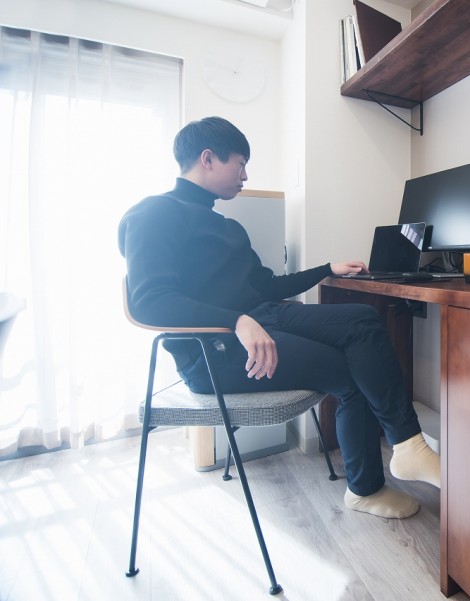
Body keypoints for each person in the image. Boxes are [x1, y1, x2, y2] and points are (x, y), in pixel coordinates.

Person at [118, 116, 439, 519]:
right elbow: (151, 301)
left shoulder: (228, 227)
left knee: (362, 320)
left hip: (261, 322)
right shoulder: (154, 214)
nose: (245, 175)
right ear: (208, 159)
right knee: (354, 372)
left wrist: (326, 269)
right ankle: (366, 489)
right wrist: (237, 321)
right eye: (240, 164)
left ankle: (408, 446)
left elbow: (267, 285)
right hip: (214, 354)